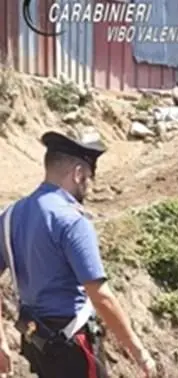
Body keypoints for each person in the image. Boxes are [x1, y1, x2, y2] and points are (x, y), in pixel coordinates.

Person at [0, 131, 157, 378]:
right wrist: (140, 353)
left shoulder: (9, 215)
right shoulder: (72, 221)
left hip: (34, 340)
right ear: (78, 173)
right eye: (88, 179)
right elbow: (101, 297)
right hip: (73, 345)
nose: (89, 187)